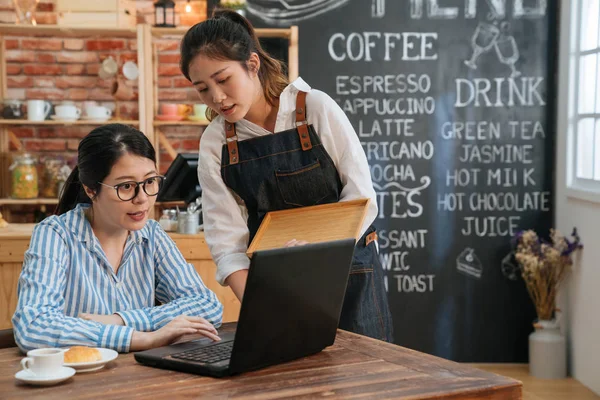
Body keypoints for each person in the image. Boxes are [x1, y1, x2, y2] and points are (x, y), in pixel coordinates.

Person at [180, 10, 393, 342]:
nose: (216, 97)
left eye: (223, 80)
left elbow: (361, 199)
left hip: (349, 273)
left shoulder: (314, 108)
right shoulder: (216, 142)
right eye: (203, 88)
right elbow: (227, 245)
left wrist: (314, 257)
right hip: (277, 286)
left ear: (252, 64)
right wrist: (262, 305)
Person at [12, 124, 223, 353]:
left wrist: (121, 320)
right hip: (78, 380)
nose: (142, 198)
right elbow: (33, 326)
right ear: (91, 190)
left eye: (150, 181)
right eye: (126, 186)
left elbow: (208, 306)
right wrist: (141, 339)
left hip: (142, 377)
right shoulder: (55, 234)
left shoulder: (151, 235)